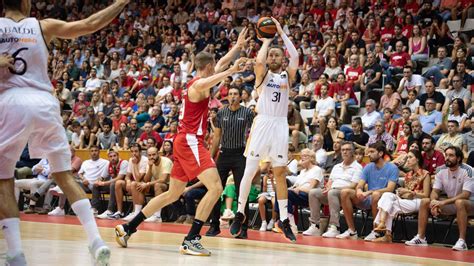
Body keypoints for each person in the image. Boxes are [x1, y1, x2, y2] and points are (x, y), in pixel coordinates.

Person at [0, 1, 130, 265]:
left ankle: (15, 254)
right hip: (45, 102)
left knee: (4, 180)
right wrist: (120, 2)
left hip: (11, 101)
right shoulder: (42, 25)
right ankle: (96, 241)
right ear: (26, 2)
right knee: (64, 175)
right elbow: (89, 25)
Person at [115, 49, 249, 254]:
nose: (217, 67)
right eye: (214, 66)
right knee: (215, 187)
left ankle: (127, 227)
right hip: (190, 142)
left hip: (182, 141)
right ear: (208, 66)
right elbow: (217, 73)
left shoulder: (198, 80)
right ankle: (191, 239)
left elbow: (221, 64)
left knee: (172, 193)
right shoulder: (198, 85)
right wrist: (232, 70)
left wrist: (236, 48)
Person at [230, 17, 299, 242]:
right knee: (250, 171)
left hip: (280, 124)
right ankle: (240, 214)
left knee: (279, 173)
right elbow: (259, 62)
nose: (273, 57)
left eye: (277, 55)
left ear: (282, 59)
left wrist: (280, 31)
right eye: (271, 55)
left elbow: (296, 56)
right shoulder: (263, 75)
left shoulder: (286, 75)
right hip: (262, 123)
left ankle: (283, 220)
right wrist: (266, 42)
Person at [405, 146, 474, 251]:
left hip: (469, 203)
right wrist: (434, 202)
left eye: (451, 155)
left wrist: (443, 202)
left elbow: (466, 194)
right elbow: (435, 191)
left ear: (459, 158)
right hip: (451, 203)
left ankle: (462, 241)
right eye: (446, 155)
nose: (447, 158)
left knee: (460, 202)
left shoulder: (468, 170)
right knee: (425, 201)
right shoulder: (441, 170)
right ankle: (421, 237)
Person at [206, 87, 254, 238]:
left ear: (240, 97)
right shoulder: (221, 113)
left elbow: (254, 133)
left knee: (242, 192)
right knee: (215, 189)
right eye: (231, 94)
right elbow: (217, 137)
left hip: (241, 154)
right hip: (224, 154)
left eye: (236, 94)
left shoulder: (247, 113)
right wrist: (210, 157)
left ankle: (244, 228)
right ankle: (214, 226)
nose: (233, 96)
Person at [371, 150, 431, 243]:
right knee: (387, 195)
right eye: (407, 158)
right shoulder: (408, 175)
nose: (408, 160)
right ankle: (382, 223)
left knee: (391, 205)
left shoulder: (425, 174)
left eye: (410, 157)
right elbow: (406, 194)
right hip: (406, 200)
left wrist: (411, 192)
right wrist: (401, 192)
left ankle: (385, 233)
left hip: (418, 201)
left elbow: (426, 195)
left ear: (418, 159)